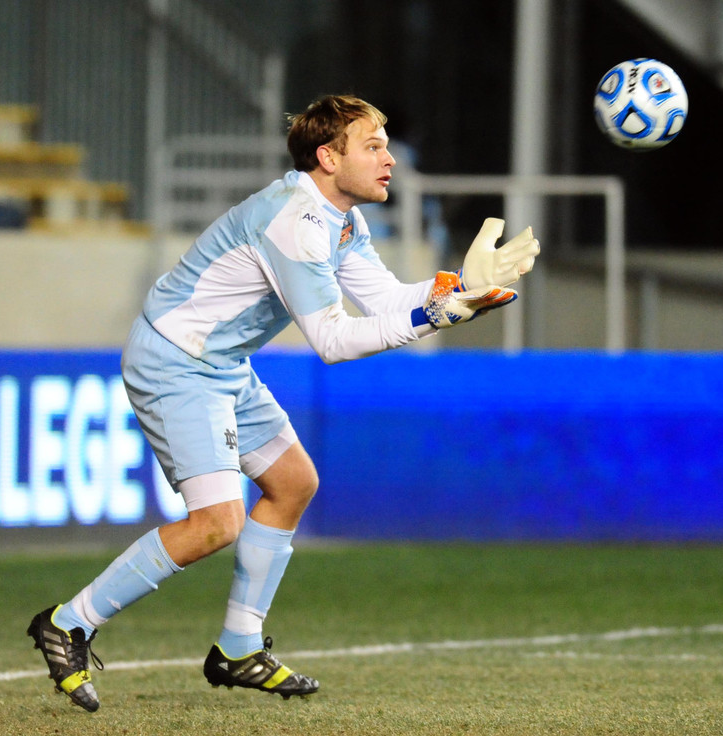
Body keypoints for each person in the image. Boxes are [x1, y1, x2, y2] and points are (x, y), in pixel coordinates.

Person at [26, 94, 539, 712]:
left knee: (292, 483)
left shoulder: (340, 217)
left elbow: (381, 300)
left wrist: (458, 286)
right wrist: (433, 316)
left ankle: (238, 648)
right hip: (176, 360)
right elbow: (332, 340)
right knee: (216, 524)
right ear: (328, 156)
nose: (388, 160)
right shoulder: (296, 222)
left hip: (217, 361)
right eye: (371, 147)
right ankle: (69, 621)